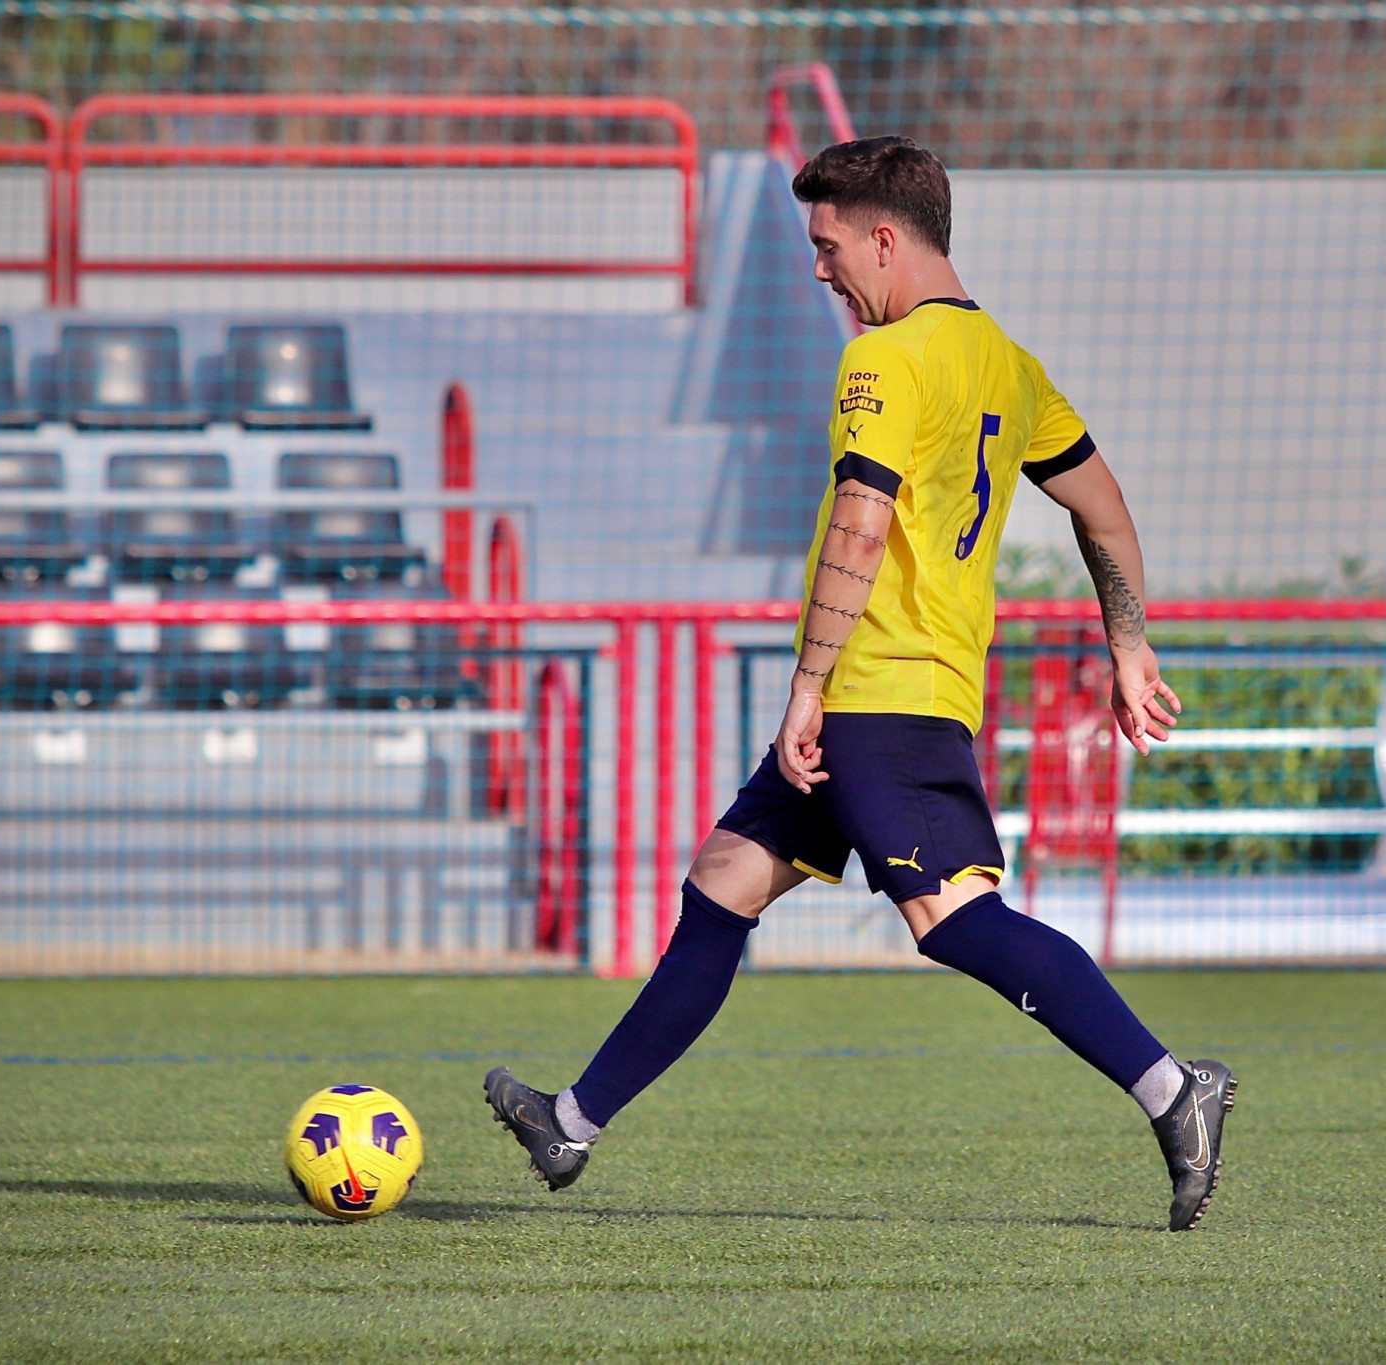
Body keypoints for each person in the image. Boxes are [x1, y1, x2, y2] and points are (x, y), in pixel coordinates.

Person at [487, 136, 1234, 1232]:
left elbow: (861, 516)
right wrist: (1128, 644)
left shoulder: (883, 360)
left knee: (951, 916)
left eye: (829, 245)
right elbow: (1104, 509)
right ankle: (571, 1121)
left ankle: (1173, 1090)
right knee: (722, 885)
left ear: (885, 238)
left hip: (884, 695)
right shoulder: (1010, 366)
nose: (820, 268)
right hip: (892, 693)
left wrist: (808, 683)